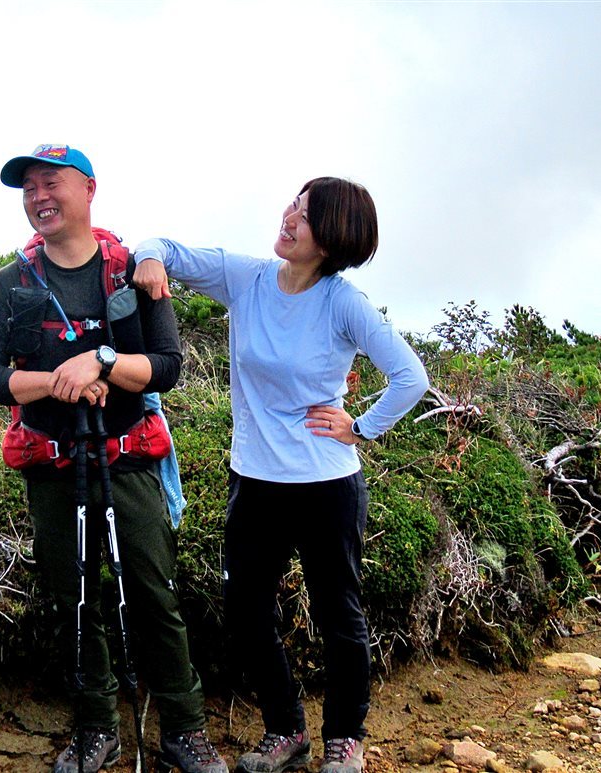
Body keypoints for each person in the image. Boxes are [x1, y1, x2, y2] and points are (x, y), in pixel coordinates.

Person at [131, 177, 429, 773]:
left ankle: (346, 738)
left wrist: (360, 427)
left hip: (326, 485)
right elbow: (160, 245)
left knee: (338, 614)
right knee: (245, 611)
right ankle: (285, 730)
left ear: (333, 238)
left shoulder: (342, 301)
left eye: (307, 214)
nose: (290, 217)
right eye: (294, 203)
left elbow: (410, 377)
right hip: (255, 481)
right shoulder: (248, 278)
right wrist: (148, 262)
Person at [0, 144, 227, 773]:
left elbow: (167, 366)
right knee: (74, 597)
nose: (37, 198)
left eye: (50, 184)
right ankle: (95, 729)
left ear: (88, 190)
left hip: (128, 459)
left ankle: (184, 730)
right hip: (54, 465)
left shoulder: (135, 274)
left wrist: (103, 363)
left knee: (151, 590)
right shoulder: (10, 284)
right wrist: (55, 381)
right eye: (28, 189)